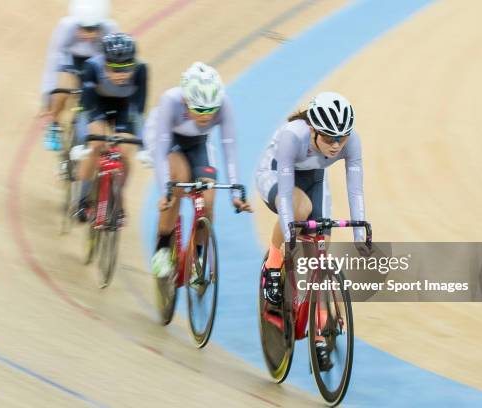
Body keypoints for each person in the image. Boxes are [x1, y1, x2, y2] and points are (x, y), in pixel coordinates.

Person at [256, 91, 368, 303]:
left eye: (341, 138)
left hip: (314, 179)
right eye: (328, 138)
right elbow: (287, 193)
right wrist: (288, 239)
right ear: (312, 130)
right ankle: (273, 261)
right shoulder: (293, 136)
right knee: (299, 209)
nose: (336, 145)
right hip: (275, 174)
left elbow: (355, 190)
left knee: (321, 252)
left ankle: (319, 315)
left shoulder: (352, 141)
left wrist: (359, 236)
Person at [148, 62, 252, 277]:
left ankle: (198, 255)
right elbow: (160, 150)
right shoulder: (171, 100)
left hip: (199, 144)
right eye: (200, 109)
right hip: (169, 142)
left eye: (211, 110)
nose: (206, 115)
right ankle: (163, 247)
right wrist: (164, 189)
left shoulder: (223, 103)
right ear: (186, 101)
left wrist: (235, 193)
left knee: (208, 198)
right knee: (179, 179)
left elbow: (229, 146)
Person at [74, 32, 148, 221]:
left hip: (125, 108)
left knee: (124, 152)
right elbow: (85, 107)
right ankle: (83, 201)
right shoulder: (92, 66)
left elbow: (138, 111)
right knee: (96, 145)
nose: (121, 74)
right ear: (105, 63)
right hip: (98, 104)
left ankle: (117, 195)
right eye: (114, 68)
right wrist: (83, 143)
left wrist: (142, 147)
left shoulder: (141, 69)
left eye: (126, 68)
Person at [40, 0, 119, 150]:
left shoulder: (111, 29)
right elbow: (52, 64)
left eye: (93, 29)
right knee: (63, 88)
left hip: (97, 63)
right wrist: (47, 98)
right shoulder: (65, 27)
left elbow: (114, 67)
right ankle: (54, 124)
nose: (87, 34)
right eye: (82, 28)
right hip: (71, 60)